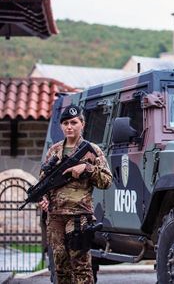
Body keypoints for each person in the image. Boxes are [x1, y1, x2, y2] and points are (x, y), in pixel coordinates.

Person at [38, 104, 112, 284]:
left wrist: (86, 168)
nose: (69, 127)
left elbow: (107, 181)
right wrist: (43, 198)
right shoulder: (54, 150)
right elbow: (43, 181)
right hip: (55, 217)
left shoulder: (92, 150)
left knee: (81, 267)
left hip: (79, 217)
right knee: (60, 267)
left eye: (73, 122)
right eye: (65, 123)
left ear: (82, 124)